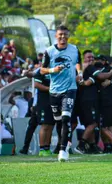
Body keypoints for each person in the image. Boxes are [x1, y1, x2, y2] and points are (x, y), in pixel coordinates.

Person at [40, 25, 80, 162]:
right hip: (54, 90)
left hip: (70, 89)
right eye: (60, 34)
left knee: (65, 119)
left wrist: (78, 74)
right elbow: (42, 70)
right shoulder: (49, 51)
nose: (63, 37)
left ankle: (63, 150)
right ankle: (64, 143)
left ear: (68, 35)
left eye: (65, 34)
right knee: (58, 122)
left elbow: (78, 63)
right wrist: (53, 70)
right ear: (56, 36)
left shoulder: (74, 50)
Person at [74, 53, 112, 154]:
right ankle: (81, 145)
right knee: (94, 123)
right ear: (83, 58)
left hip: (82, 99)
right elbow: (101, 76)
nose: (91, 59)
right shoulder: (90, 68)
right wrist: (111, 72)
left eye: (93, 57)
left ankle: (92, 146)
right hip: (89, 100)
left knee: (90, 123)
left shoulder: (82, 70)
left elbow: (86, 82)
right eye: (89, 57)